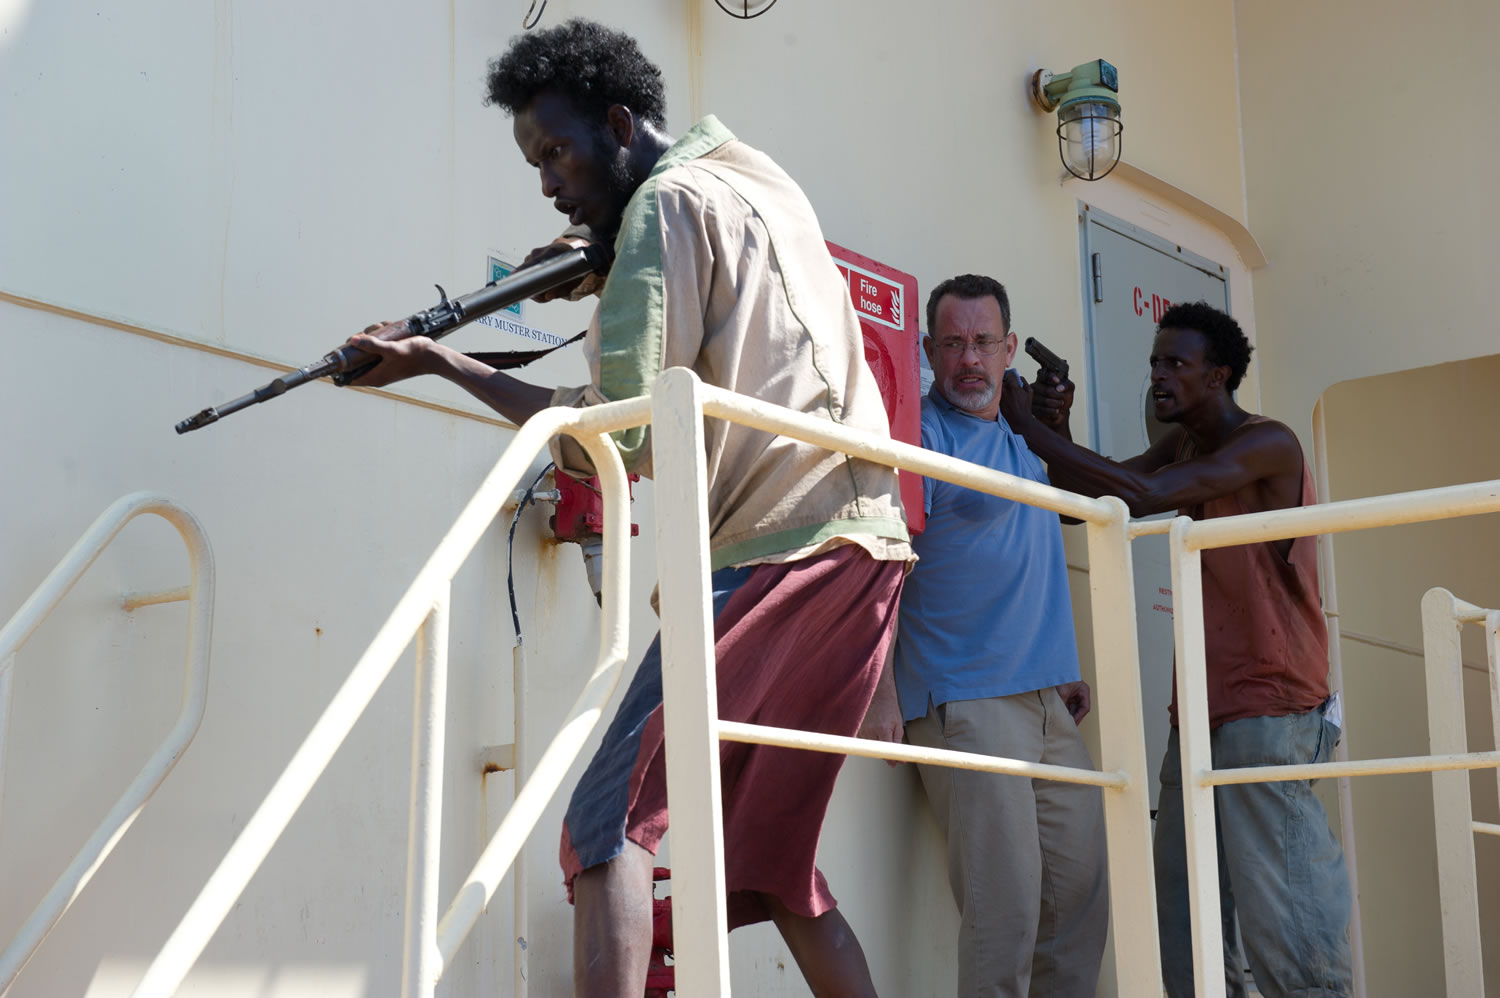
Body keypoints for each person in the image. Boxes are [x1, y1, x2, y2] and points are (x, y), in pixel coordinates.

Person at [342, 19, 913, 998]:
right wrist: (600, 264)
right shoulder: (753, 175)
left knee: (607, 824)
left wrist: (439, 360)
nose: (549, 181)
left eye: (557, 152)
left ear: (617, 125)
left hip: (776, 553)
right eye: (536, 163)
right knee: (776, 868)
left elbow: (619, 433)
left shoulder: (661, 209)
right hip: (868, 553)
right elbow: (719, 307)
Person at [998, 301, 1351, 998]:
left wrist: (1029, 426)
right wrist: (1058, 427)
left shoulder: (1266, 442)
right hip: (1199, 712)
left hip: (1271, 712)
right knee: (1183, 930)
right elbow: (1088, 504)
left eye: (1175, 364)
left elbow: (1143, 491)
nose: (1158, 376)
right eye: (1155, 361)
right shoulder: (1186, 443)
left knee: (1290, 934)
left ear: (1218, 375)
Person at [864, 274, 1109, 997]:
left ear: (1009, 350)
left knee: (1077, 911)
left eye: (982, 343)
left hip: (1050, 703)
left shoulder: (1024, 436)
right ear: (930, 352)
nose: (968, 360)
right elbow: (881, 564)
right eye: (952, 344)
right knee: (1003, 919)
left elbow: (1076, 513)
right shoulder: (920, 435)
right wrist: (880, 693)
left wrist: (1060, 663)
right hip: (966, 702)